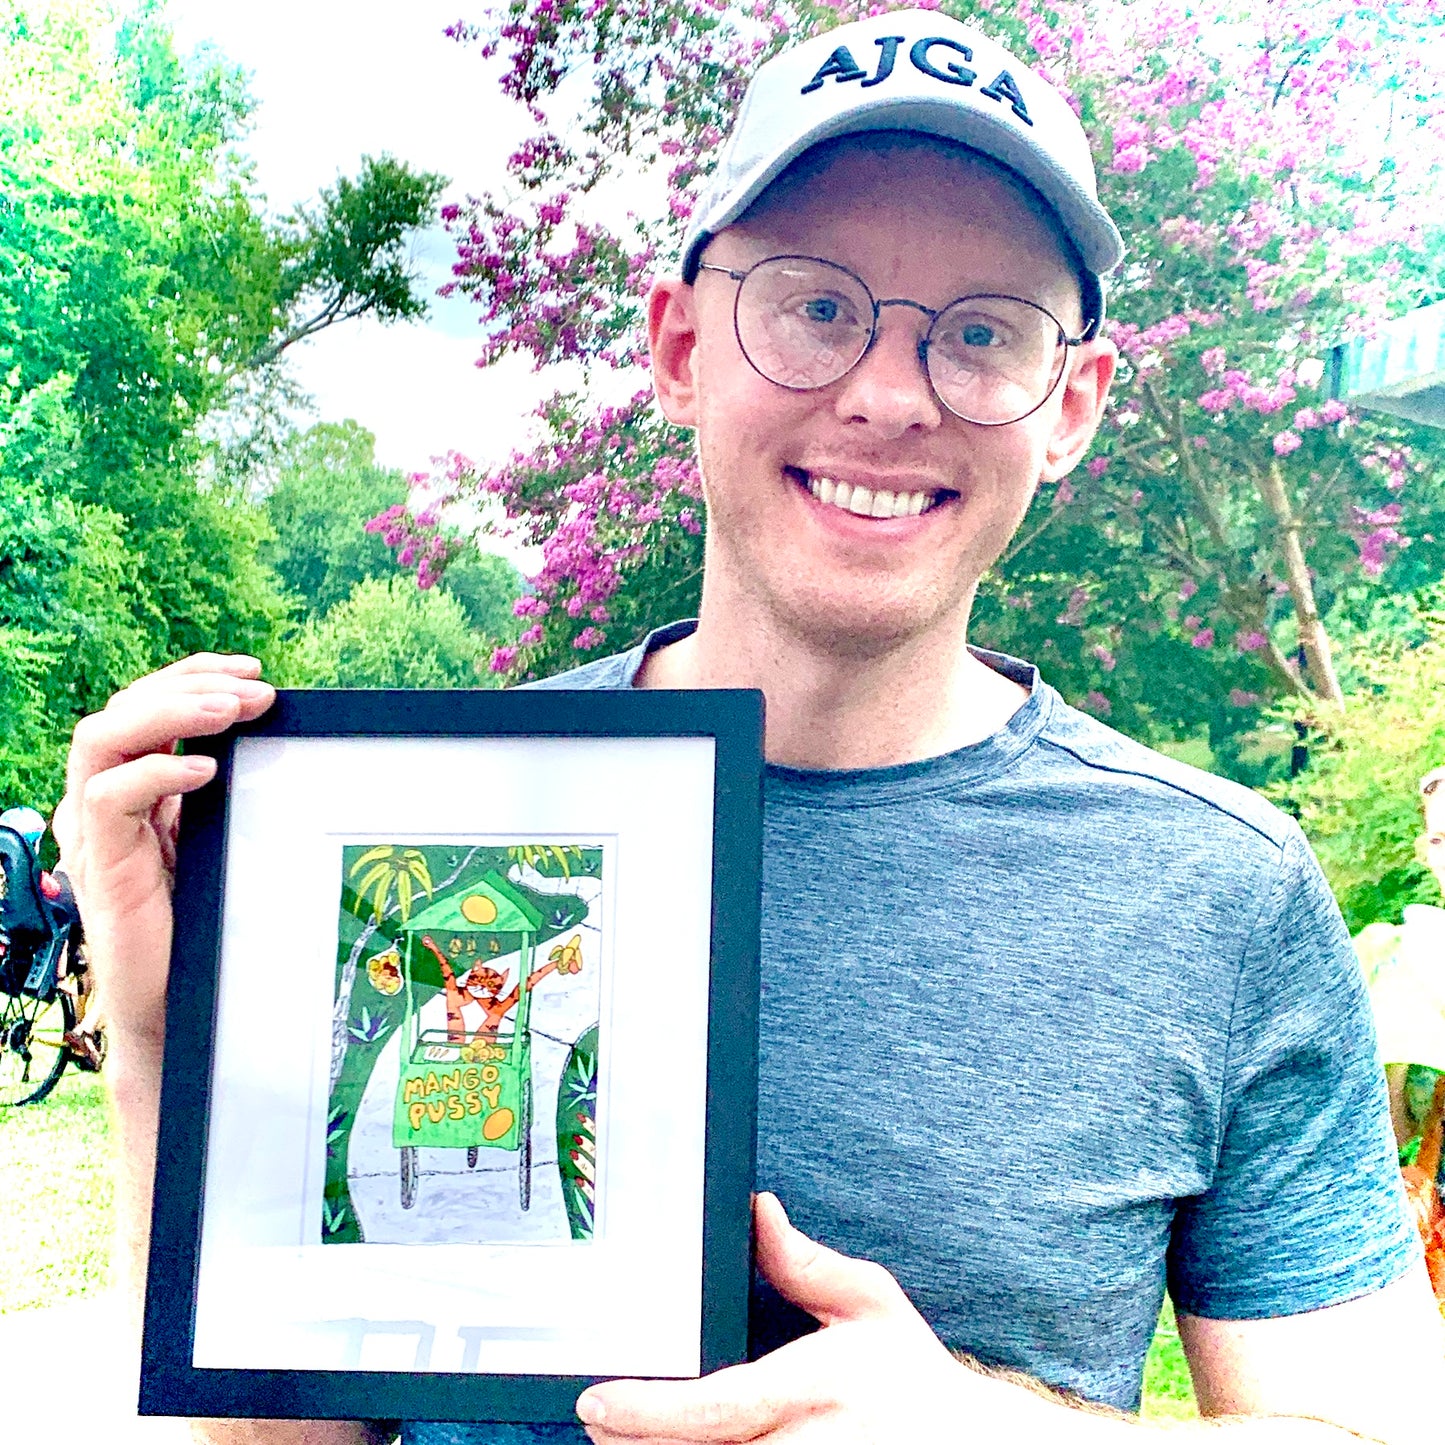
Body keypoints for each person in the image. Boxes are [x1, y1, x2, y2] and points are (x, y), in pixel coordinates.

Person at [55, 9, 1445, 1445]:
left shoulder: (1220, 892)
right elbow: (278, 1431)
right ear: (678, 347)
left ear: (1071, 405)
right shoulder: (418, 824)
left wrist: (991, 1431)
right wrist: (164, 1039)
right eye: (815, 307)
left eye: (983, 332)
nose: (889, 397)